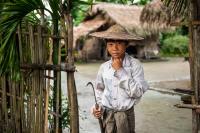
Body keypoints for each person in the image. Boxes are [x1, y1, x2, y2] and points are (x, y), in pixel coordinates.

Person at [90, 24, 149, 133]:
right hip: (108, 116)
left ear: (126, 44)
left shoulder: (135, 65)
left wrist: (121, 71)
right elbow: (100, 90)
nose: (115, 48)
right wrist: (97, 108)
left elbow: (138, 92)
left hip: (125, 116)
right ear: (107, 46)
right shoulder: (104, 67)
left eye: (119, 43)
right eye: (111, 44)